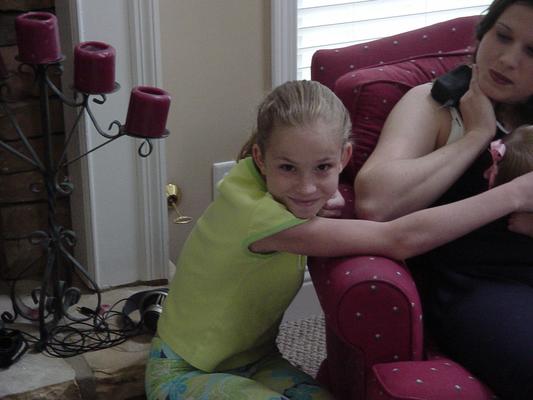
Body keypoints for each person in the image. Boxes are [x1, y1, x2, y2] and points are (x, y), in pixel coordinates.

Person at [145, 80, 533, 400]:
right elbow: (398, 239)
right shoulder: (257, 217)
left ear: (344, 157)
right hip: (186, 370)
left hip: (254, 360)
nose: (306, 186)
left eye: (323, 167)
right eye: (288, 167)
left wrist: (317, 197)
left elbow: (304, 190)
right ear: (261, 159)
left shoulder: (260, 183)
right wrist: (513, 194)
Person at [353, 1, 533, 399]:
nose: (507, 59)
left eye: (532, 52)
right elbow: (376, 202)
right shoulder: (434, 105)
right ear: (482, 33)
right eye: (502, 36)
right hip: (481, 287)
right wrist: (476, 136)